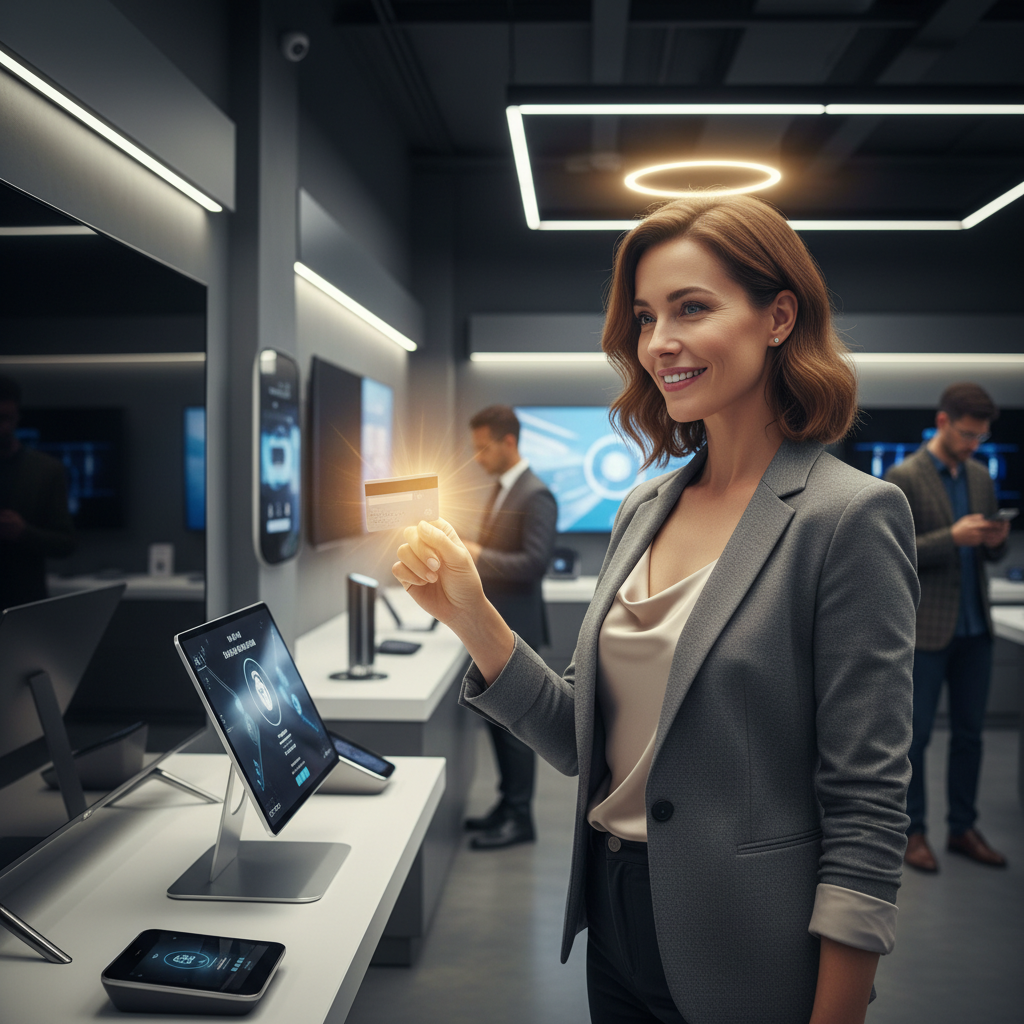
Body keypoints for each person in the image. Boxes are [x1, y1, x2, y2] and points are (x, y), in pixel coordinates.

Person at [393, 195, 918, 1024]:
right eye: (645, 317)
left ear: (778, 317)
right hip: (612, 921)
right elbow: (579, 741)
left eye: (691, 308)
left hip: (750, 942)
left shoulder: (849, 516)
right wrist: (470, 615)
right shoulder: (645, 507)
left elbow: (867, 802)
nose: (658, 342)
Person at [885, 383, 1010, 872]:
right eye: (967, 434)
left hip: (975, 629)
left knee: (970, 736)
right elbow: (894, 553)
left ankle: (963, 828)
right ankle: (913, 832)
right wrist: (952, 538)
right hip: (926, 630)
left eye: (981, 436)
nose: (974, 444)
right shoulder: (904, 476)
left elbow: (992, 554)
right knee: (914, 740)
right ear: (942, 422)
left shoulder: (979, 476)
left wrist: (995, 540)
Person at [460, 405, 557, 849]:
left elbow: (534, 564)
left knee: (516, 730)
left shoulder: (535, 495)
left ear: (509, 442)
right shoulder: (504, 490)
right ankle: (506, 806)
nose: (477, 457)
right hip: (496, 628)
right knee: (498, 726)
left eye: (483, 448)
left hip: (516, 631)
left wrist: (478, 554)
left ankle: (520, 819)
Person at [0, 374, 76, 610]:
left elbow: (66, 543)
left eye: (7, 418)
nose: (3, 427)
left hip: (25, 604)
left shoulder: (46, 470)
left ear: (17, 417)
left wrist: (23, 532)